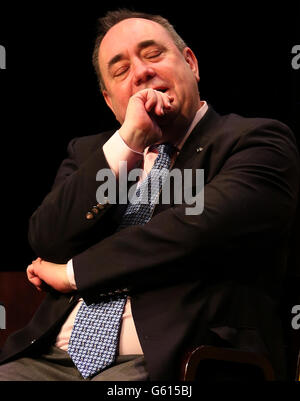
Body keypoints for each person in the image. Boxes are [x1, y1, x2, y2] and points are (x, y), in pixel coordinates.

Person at [0, 9, 299, 381]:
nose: (140, 72)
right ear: (110, 102)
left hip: (178, 359)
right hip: (51, 359)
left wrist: (75, 274)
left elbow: (197, 228)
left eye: (153, 54)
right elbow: (46, 238)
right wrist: (127, 143)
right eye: (121, 70)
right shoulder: (91, 154)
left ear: (191, 63)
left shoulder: (256, 141)